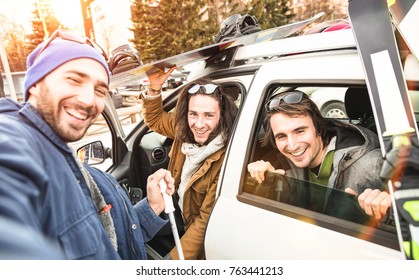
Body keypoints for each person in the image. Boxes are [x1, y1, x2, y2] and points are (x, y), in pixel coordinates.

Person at [0, 29, 175, 259]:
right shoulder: (14, 142)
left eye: (100, 90)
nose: (88, 99)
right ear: (35, 83)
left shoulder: (81, 169)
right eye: (74, 79)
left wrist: (152, 206)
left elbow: (112, 243)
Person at [247, 89, 392, 220]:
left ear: (319, 128)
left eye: (300, 131)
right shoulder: (280, 163)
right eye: (281, 136)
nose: (292, 145)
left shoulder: (373, 165)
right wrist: (265, 182)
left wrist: (388, 211)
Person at [141, 68, 238, 259]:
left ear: (222, 116)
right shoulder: (183, 129)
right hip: (176, 205)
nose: (199, 124)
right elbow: (155, 119)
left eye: (209, 115)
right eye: (193, 114)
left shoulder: (227, 157)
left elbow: (203, 223)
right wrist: (154, 88)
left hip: (193, 223)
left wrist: (174, 261)